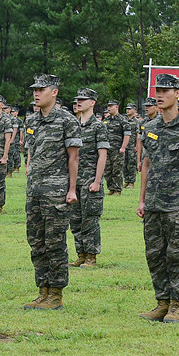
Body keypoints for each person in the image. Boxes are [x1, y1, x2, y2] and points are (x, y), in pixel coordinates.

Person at [138, 74, 179, 323]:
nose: (160, 94)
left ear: (177, 94)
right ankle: (162, 302)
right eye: (158, 89)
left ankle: (177, 304)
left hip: (178, 203)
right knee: (154, 254)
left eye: (166, 90)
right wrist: (142, 200)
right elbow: (146, 164)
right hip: (154, 203)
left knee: (176, 255)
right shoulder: (151, 128)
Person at [22, 75, 80, 311]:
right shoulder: (32, 121)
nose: (36, 94)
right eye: (34, 89)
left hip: (56, 191)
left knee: (55, 242)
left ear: (54, 92)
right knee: (36, 242)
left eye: (41, 90)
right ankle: (42, 290)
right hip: (35, 190)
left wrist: (72, 189)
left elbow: (73, 157)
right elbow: (31, 152)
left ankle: (56, 293)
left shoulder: (67, 121)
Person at [68, 89, 108, 268]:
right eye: (78, 100)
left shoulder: (99, 126)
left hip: (90, 180)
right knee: (75, 219)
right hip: (75, 181)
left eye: (83, 100)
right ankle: (81, 254)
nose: (79, 102)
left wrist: (97, 181)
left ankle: (91, 256)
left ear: (92, 102)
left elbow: (103, 155)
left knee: (90, 220)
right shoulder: (73, 125)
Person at [103, 100, 131, 195]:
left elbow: (127, 135)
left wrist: (123, 147)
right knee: (107, 170)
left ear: (117, 107)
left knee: (117, 170)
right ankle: (111, 188)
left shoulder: (123, 120)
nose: (109, 108)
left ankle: (117, 189)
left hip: (118, 149)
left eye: (111, 106)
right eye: (108, 106)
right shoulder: (106, 120)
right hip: (107, 149)